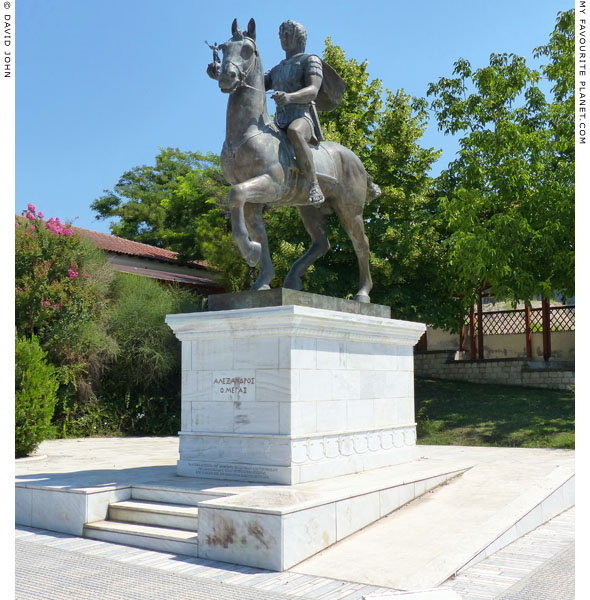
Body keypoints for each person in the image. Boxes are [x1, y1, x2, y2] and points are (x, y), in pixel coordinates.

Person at [265, 20, 328, 206]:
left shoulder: (310, 60)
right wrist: (223, 73)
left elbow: (313, 90)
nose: (283, 39)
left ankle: (313, 184)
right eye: (281, 35)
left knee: (295, 132)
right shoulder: (277, 69)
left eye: (287, 34)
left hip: (301, 116)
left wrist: (290, 97)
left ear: (298, 38)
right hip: (279, 121)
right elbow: (254, 83)